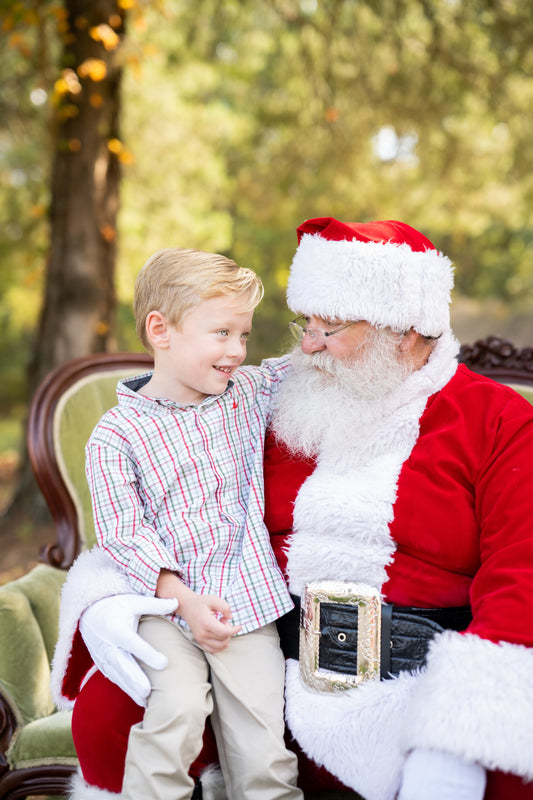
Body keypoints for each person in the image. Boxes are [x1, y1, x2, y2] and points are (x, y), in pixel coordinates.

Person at [51, 219, 533, 800]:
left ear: (405, 331)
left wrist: (454, 723)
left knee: (497, 761)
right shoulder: (267, 398)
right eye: (306, 323)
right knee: (113, 708)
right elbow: (165, 502)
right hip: (262, 651)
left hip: (414, 679)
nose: (307, 344)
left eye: (331, 328)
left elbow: (521, 571)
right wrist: (116, 599)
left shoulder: (498, 420)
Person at [76, 247, 302, 800]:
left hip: (246, 606)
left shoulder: (246, 394)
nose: (237, 351)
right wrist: (183, 602)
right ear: (161, 330)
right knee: (173, 712)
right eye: (221, 333)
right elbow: (124, 533)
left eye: (243, 336)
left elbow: (311, 358)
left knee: (264, 753)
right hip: (163, 608)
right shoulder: (115, 435)